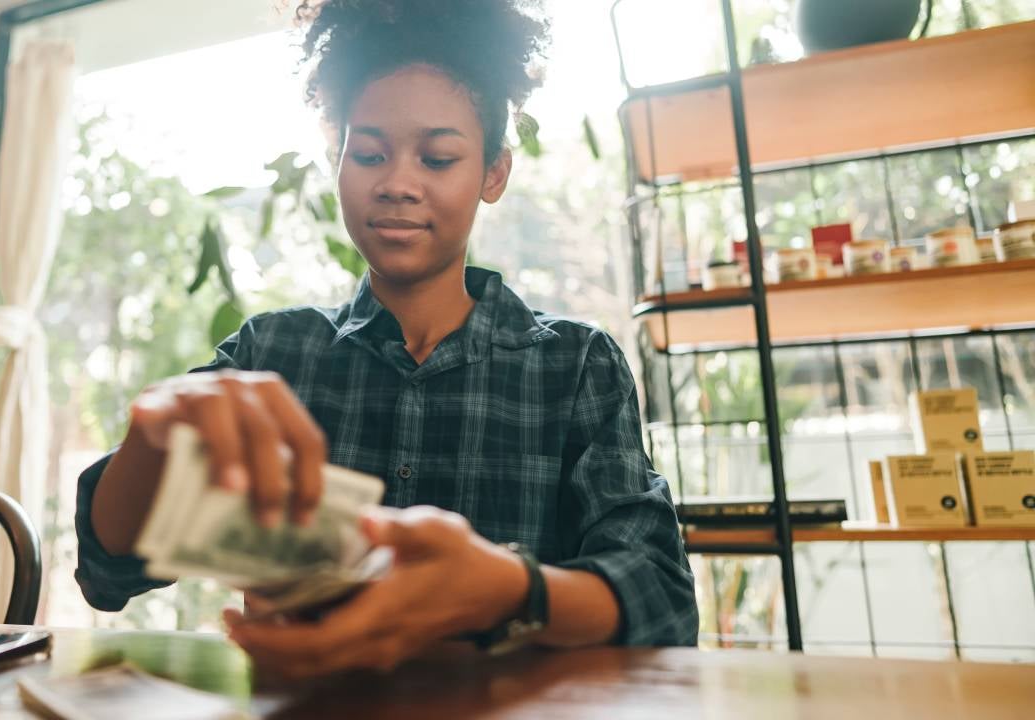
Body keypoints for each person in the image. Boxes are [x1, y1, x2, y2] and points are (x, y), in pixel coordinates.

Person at [75, 0, 697, 678]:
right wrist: (149, 437)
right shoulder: (271, 354)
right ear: (336, 159)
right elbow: (107, 574)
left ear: (494, 173)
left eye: (438, 157)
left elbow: (660, 599)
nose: (398, 184)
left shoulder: (573, 364)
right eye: (368, 153)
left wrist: (508, 589)